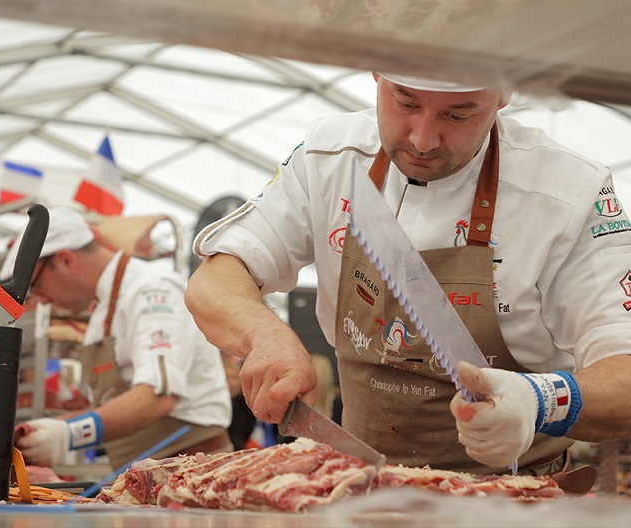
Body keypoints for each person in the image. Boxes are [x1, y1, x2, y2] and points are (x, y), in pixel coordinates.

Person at [185, 72, 631, 481]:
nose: (422, 138)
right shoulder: (330, 157)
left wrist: (539, 400)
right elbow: (216, 278)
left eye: (459, 113)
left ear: (505, 94)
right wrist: (264, 336)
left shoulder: (570, 194)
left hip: (509, 500)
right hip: (358, 487)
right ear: (377, 73)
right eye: (405, 102)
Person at [2, 207, 233, 471]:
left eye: (37, 286)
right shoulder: (103, 310)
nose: (41, 299)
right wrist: (54, 428)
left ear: (66, 260)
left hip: (190, 469)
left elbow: (157, 396)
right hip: (142, 472)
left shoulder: (152, 291)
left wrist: (69, 434)